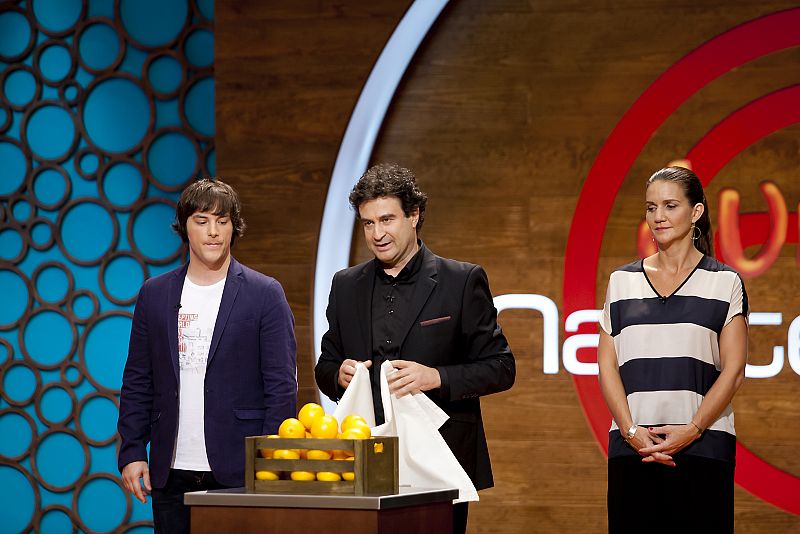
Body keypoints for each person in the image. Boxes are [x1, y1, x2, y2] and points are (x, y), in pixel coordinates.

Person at [314, 163, 515, 534]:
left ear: (414, 214)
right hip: (365, 464)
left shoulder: (461, 280)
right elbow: (325, 365)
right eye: (368, 223)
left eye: (387, 219)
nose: (377, 233)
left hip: (439, 461)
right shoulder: (346, 285)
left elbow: (501, 367)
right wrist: (338, 375)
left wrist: (436, 376)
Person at [117, 178, 297, 533]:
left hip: (242, 471)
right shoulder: (154, 295)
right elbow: (138, 379)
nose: (213, 232)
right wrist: (133, 450)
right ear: (185, 227)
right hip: (171, 471)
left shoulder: (265, 294)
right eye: (202, 221)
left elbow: (282, 387)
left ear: (234, 227)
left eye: (223, 221)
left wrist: (270, 461)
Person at [597, 166, 748, 533]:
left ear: (695, 212)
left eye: (669, 205)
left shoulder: (724, 281)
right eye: (651, 208)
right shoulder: (622, 281)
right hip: (633, 451)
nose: (658, 217)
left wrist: (692, 429)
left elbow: (734, 370)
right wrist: (633, 433)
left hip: (704, 448)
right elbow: (607, 366)